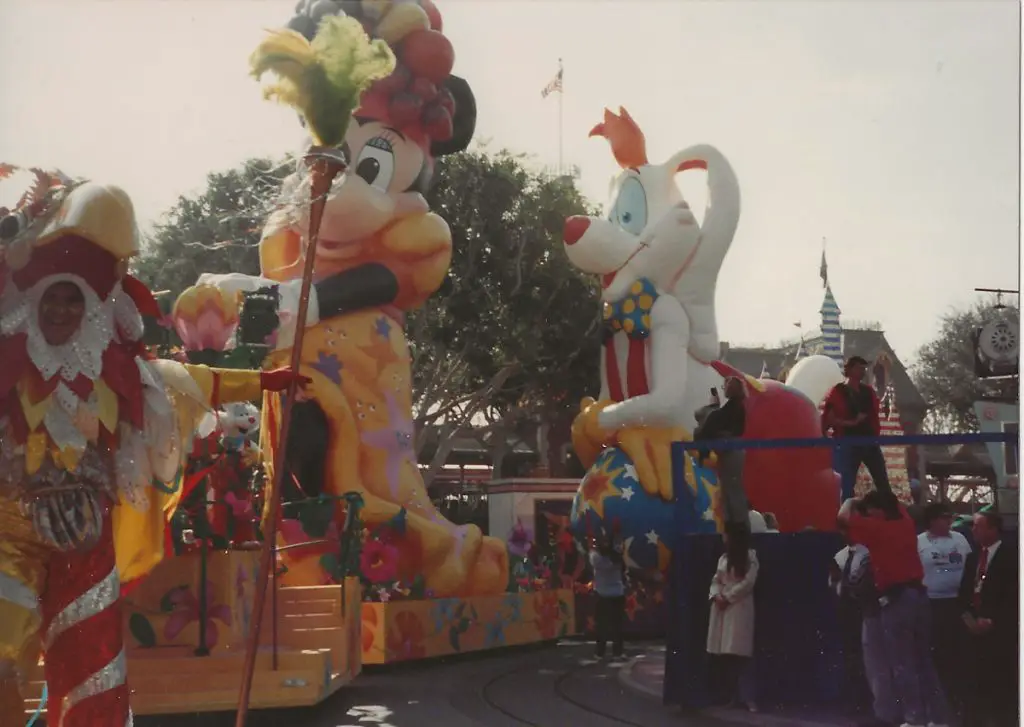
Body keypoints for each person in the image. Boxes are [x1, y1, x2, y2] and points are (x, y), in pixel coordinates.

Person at [0, 178, 307, 727]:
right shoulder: (6, 363)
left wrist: (265, 382)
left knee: (94, 676)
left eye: (75, 299)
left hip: (86, 539)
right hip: (7, 531)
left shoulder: (114, 370)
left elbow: (188, 381)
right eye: (54, 297)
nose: (64, 310)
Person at [838, 492, 950, 727]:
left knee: (902, 662)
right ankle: (938, 719)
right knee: (923, 660)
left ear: (878, 510)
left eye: (870, 511)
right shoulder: (905, 522)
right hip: (919, 596)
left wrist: (852, 501)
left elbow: (843, 516)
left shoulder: (875, 529)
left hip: (896, 598)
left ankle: (914, 718)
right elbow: (896, 504)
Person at [958, 511, 1018, 727]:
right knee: (975, 680)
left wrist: (993, 620)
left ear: (993, 529)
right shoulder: (973, 557)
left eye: (978, 526)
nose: (973, 531)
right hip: (973, 628)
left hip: (1000, 630)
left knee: (1001, 682)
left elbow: (1013, 596)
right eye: (973, 526)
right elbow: (964, 591)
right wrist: (967, 618)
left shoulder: (1011, 556)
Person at [917, 502, 971, 718]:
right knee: (937, 652)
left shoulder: (960, 539)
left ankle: (959, 699)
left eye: (950, 517)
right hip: (931, 602)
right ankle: (937, 701)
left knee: (958, 651)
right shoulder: (919, 541)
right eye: (943, 517)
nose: (948, 521)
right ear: (931, 520)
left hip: (957, 602)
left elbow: (968, 564)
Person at [823, 356, 892, 499]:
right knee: (846, 484)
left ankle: (889, 511)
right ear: (850, 369)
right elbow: (830, 419)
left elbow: (874, 414)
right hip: (847, 442)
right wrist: (852, 422)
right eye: (859, 368)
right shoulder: (838, 391)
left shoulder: (868, 391)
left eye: (864, 368)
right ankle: (843, 514)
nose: (863, 371)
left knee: (882, 481)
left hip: (869, 441)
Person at [707, 524, 758, 712]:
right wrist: (716, 595)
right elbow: (715, 580)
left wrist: (728, 597)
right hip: (722, 608)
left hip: (738, 608)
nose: (723, 537)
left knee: (741, 655)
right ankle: (732, 697)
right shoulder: (723, 559)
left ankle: (747, 698)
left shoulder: (750, 557)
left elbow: (748, 582)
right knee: (727, 655)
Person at [695, 376, 749, 527]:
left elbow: (713, 424)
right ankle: (734, 521)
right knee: (729, 487)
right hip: (732, 452)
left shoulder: (733, 408)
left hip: (731, 452)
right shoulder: (737, 406)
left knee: (731, 488)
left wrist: (712, 408)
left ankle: (736, 523)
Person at [589, 531, 626, 660]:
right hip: (602, 593)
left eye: (607, 541)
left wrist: (617, 552)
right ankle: (600, 652)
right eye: (602, 541)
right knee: (602, 626)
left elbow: (621, 564)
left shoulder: (616, 554)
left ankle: (618, 652)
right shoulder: (595, 556)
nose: (605, 544)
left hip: (617, 592)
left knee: (617, 625)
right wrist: (615, 555)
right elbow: (604, 564)